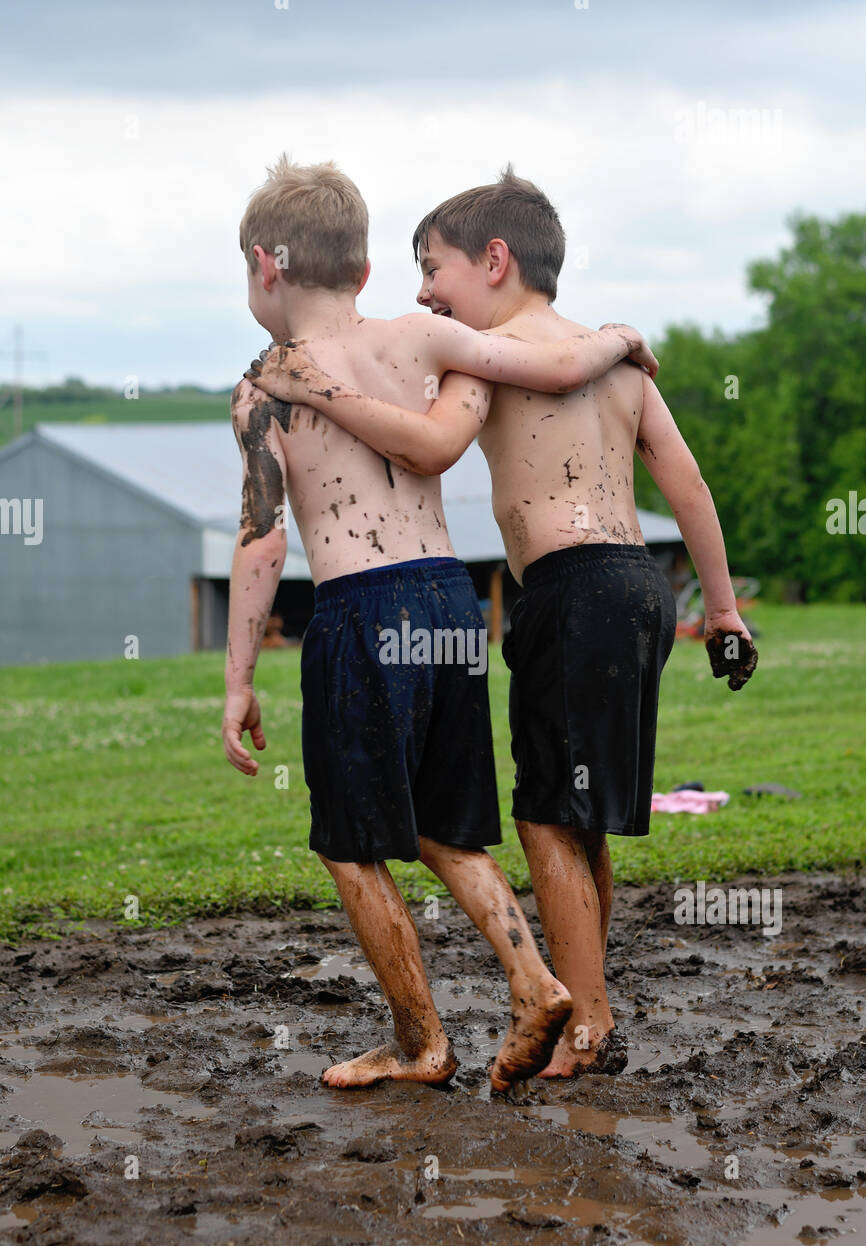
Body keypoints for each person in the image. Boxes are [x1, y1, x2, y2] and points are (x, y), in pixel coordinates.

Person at [248, 166, 758, 1080]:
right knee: (577, 814)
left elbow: (423, 449)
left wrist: (315, 390)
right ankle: (577, 998)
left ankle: (574, 1021)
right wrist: (719, 607)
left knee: (540, 823)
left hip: (556, 593)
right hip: (629, 585)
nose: (422, 288)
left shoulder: (451, 358)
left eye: (432, 266)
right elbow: (685, 481)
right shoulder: (588, 362)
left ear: (493, 260)